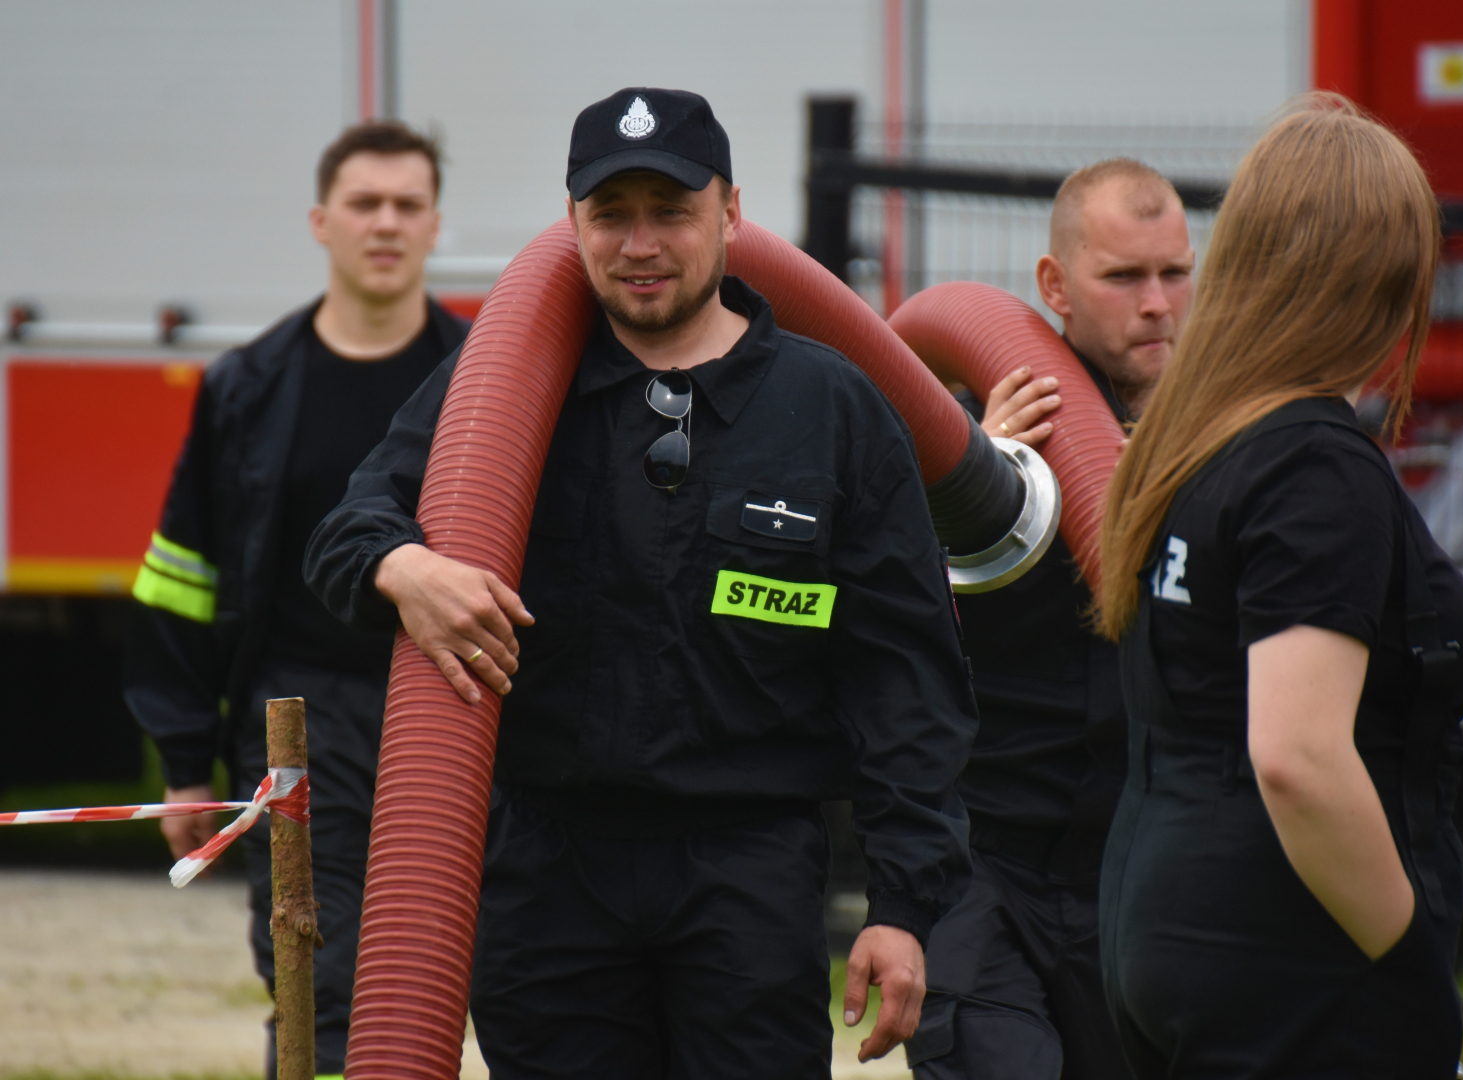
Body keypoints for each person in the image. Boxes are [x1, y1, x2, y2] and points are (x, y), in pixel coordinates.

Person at [304, 87, 976, 1079]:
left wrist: (904, 905)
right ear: (571, 222)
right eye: (610, 214)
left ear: (731, 214)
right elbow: (346, 533)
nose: (639, 243)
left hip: (749, 873)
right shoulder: (508, 385)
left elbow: (904, 679)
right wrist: (403, 568)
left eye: (671, 210)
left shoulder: (830, 407)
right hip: (547, 874)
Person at [1095, 96, 1463, 1077]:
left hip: (1160, 921)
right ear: (1377, 282)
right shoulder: (1315, 465)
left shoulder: (1189, 447)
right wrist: (1404, 957)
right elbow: (1296, 757)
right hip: (1296, 957)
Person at [123, 120, 467, 1075]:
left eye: (407, 205)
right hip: (301, 724)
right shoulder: (248, 387)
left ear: (435, 225)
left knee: (481, 978)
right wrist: (185, 766)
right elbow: (181, 579)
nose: (385, 223)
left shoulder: (487, 379)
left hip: (457, 709)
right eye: (365, 203)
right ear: (321, 221)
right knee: (321, 979)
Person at [905, 159, 1194, 1080]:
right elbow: (885, 619)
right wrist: (974, 482)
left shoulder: (1224, 440)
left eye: (1174, 273)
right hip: (986, 863)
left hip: (1141, 869)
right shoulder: (980, 429)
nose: (1156, 304)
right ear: (1054, 286)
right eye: (1122, 277)